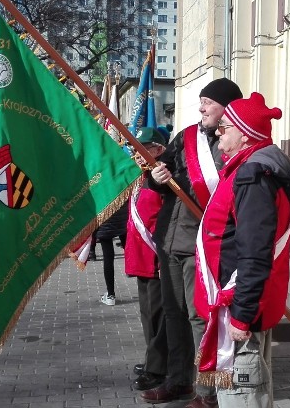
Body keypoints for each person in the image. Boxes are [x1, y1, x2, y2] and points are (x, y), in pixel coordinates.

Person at [194, 92, 290, 408]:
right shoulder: (248, 167)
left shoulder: (253, 176)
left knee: (243, 398)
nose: (217, 131)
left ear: (245, 134)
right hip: (241, 303)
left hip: (240, 309)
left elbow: (255, 251)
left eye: (225, 126)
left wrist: (241, 316)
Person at [142, 77, 243, 407]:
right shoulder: (185, 137)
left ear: (226, 108)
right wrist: (154, 179)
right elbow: (161, 173)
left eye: (208, 102)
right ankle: (179, 381)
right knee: (173, 315)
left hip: (202, 246)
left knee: (201, 319)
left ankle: (208, 393)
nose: (201, 107)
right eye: (200, 100)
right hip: (170, 243)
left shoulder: (232, 143)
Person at [125, 127, 169, 392]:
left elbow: (162, 224)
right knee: (148, 315)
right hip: (140, 259)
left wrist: (164, 259)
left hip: (155, 261)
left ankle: (158, 368)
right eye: (135, 148)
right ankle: (153, 360)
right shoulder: (142, 177)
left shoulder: (163, 179)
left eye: (143, 148)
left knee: (158, 317)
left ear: (159, 150)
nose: (137, 154)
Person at [96, 204, 128, 306]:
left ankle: (110, 295)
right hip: (122, 215)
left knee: (108, 257)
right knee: (129, 250)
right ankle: (143, 283)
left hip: (104, 217)